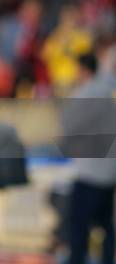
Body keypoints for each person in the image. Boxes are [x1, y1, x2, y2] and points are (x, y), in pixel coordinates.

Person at [63, 46, 116, 264]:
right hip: (109, 170)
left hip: (89, 173)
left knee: (78, 225)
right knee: (105, 224)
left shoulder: (85, 94)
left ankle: (77, 260)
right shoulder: (108, 91)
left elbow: (68, 125)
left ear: (83, 70)